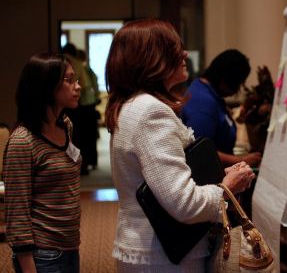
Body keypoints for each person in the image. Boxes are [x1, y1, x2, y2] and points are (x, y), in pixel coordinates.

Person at [105, 19, 255, 272]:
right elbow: (184, 203)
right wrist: (226, 189)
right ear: (150, 59)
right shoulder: (150, 111)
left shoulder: (132, 105)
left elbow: (164, 181)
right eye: (174, 48)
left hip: (149, 249)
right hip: (164, 256)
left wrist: (218, 177)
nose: (184, 53)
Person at [3, 53, 82, 273]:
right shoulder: (22, 141)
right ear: (46, 87)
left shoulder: (65, 125)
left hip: (70, 247)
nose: (77, 87)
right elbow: (17, 212)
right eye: (69, 80)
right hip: (43, 254)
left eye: (76, 79)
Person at [181, 49, 262, 168]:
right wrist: (241, 160)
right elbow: (200, 151)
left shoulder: (208, 92)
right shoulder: (203, 103)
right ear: (226, 78)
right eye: (237, 84)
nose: (237, 90)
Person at [62, 44, 99, 174]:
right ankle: (85, 163)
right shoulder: (71, 62)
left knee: (79, 135)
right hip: (84, 105)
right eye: (69, 80)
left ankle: (82, 164)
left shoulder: (73, 63)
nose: (77, 86)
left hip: (82, 105)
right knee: (83, 136)